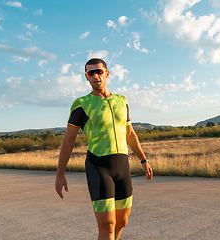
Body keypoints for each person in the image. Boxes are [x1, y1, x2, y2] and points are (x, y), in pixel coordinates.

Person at [55, 58, 153, 240]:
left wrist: (143, 159)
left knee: (122, 221)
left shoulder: (122, 101)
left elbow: (130, 133)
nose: (95, 76)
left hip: (122, 166)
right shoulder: (81, 104)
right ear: (87, 78)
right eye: (90, 73)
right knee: (107, 226)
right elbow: (69, 140)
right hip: (98, 166)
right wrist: (60, 173)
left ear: (107, 73)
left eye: (98, 71)